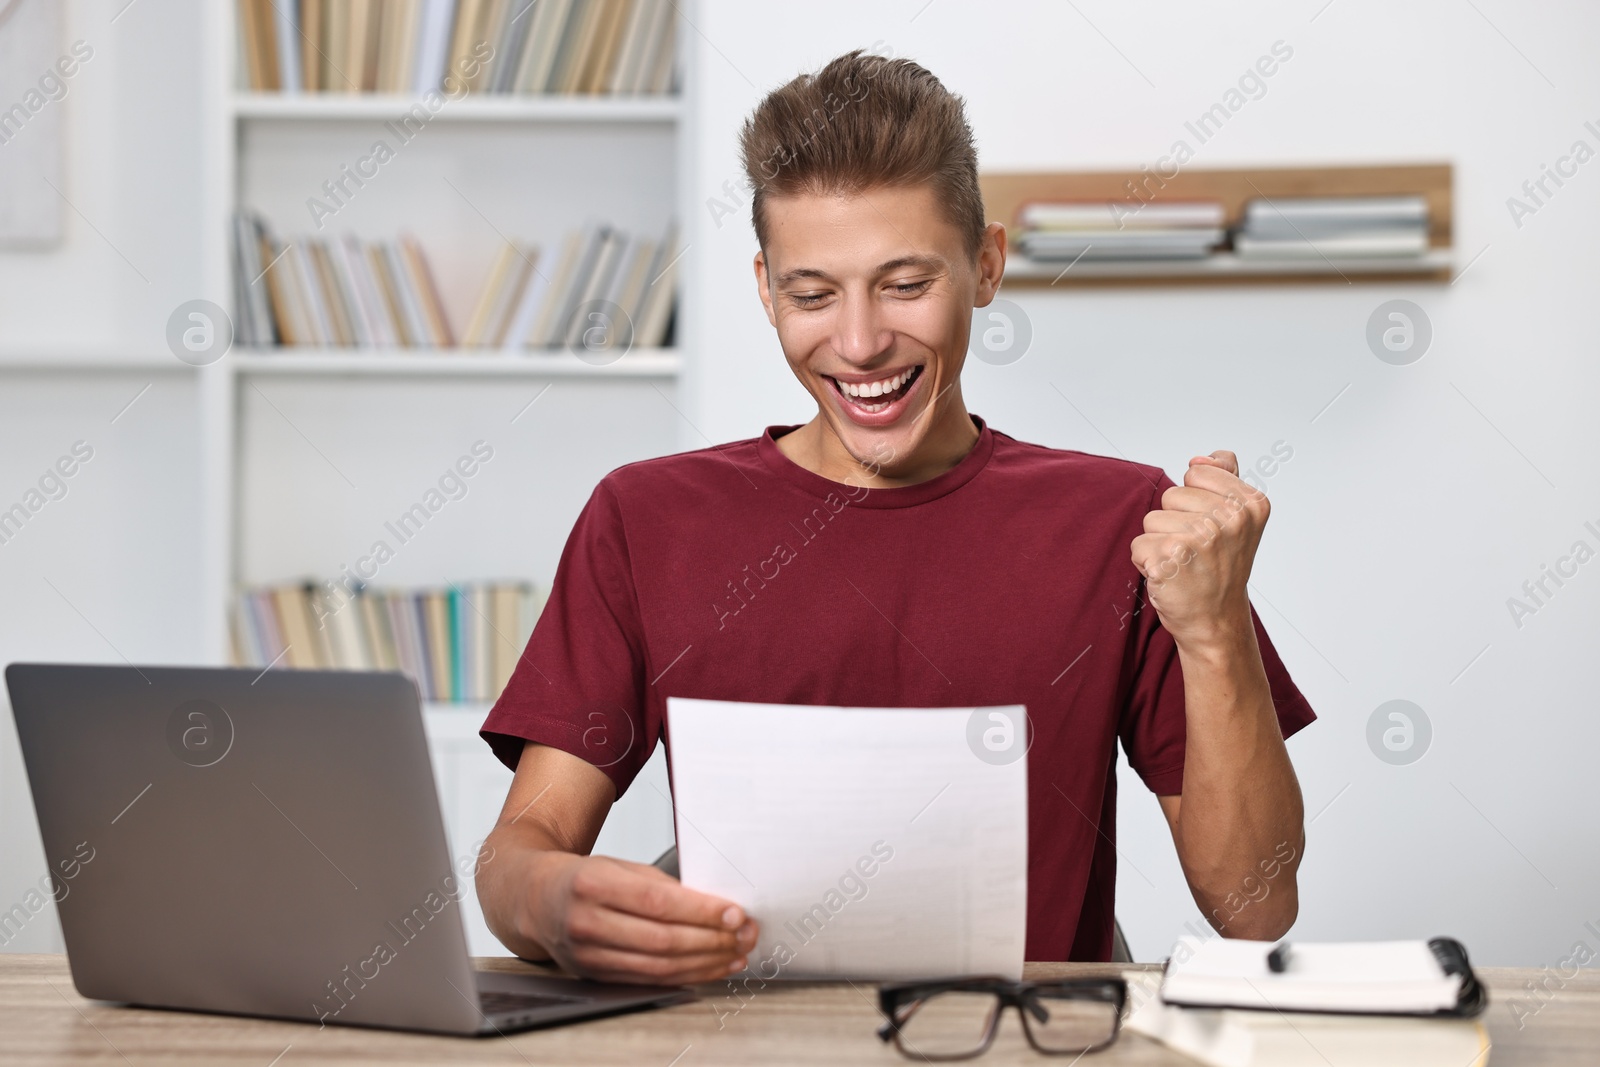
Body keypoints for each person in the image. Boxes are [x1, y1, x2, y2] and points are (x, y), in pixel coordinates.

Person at [475, 50, 1315, 985]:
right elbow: (525, 845)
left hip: (1023, 1047)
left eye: (906, 284)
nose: (861, 340)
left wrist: (1213, 629)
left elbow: (1255, 905)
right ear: (765, 290)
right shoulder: (646, 518)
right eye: (813, 293)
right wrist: (552, 902)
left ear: (986, 266)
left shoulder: (1127, 522)